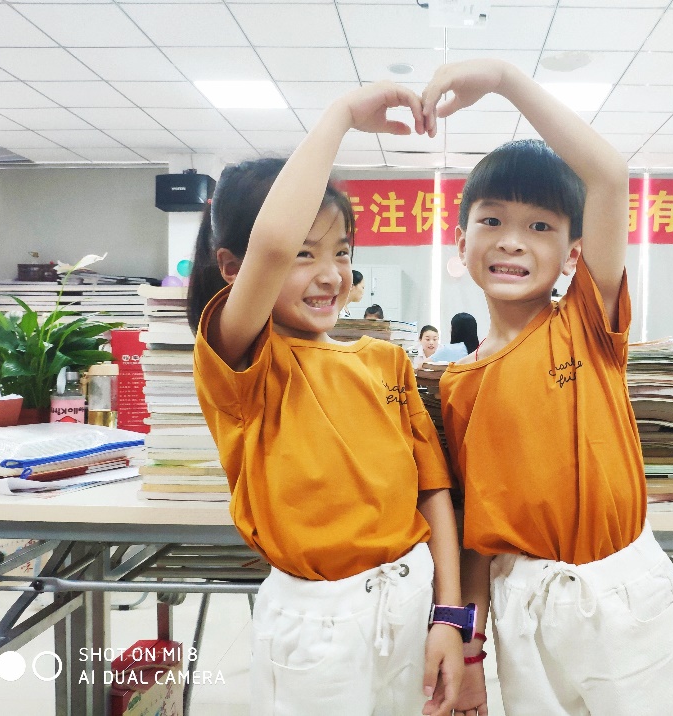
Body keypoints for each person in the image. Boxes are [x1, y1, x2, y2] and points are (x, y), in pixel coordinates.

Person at [423, 60, 673, 716]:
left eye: (540, 226)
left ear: (572, 254)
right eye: (491, 222)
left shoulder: (585, 321)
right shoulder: (459, 385)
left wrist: (503, 80)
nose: (512, 243)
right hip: (524, 607)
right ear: (461, 241)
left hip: (623, 594)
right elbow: (477, 534)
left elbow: (606, 175)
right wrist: (471, 653)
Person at [187, 82, 466, 716]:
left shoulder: (385, 360)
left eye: (341, 253)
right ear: (232, 268)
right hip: (317, 620)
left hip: (410, 599)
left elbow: (433, 491)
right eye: (303, 255)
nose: (330, 274)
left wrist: (449, 616)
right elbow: (271, 243)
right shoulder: (243, 361)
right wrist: (339, 116)